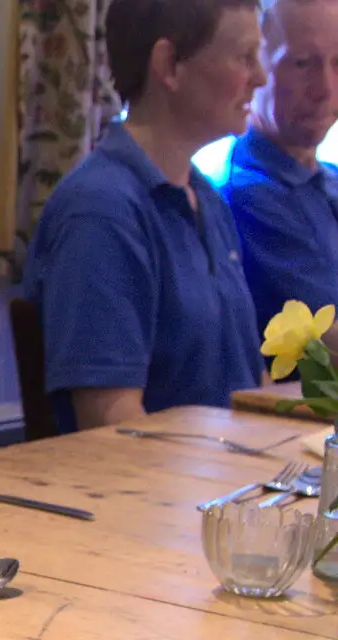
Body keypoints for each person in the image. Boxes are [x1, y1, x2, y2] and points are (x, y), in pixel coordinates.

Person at [21, 0, 268, 433]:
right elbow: (112, 428)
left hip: (232, 488)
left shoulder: (206, 200)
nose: (260, 77)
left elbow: (247, 388)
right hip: (162, 494)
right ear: (169, 65)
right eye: (244, 57)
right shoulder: (101, 212)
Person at [221, 0, 338, 338]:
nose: (326, 90)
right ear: (254, 68)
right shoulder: (245, 193)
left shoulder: (326, 179)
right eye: (302, 63)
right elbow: (326, 341)